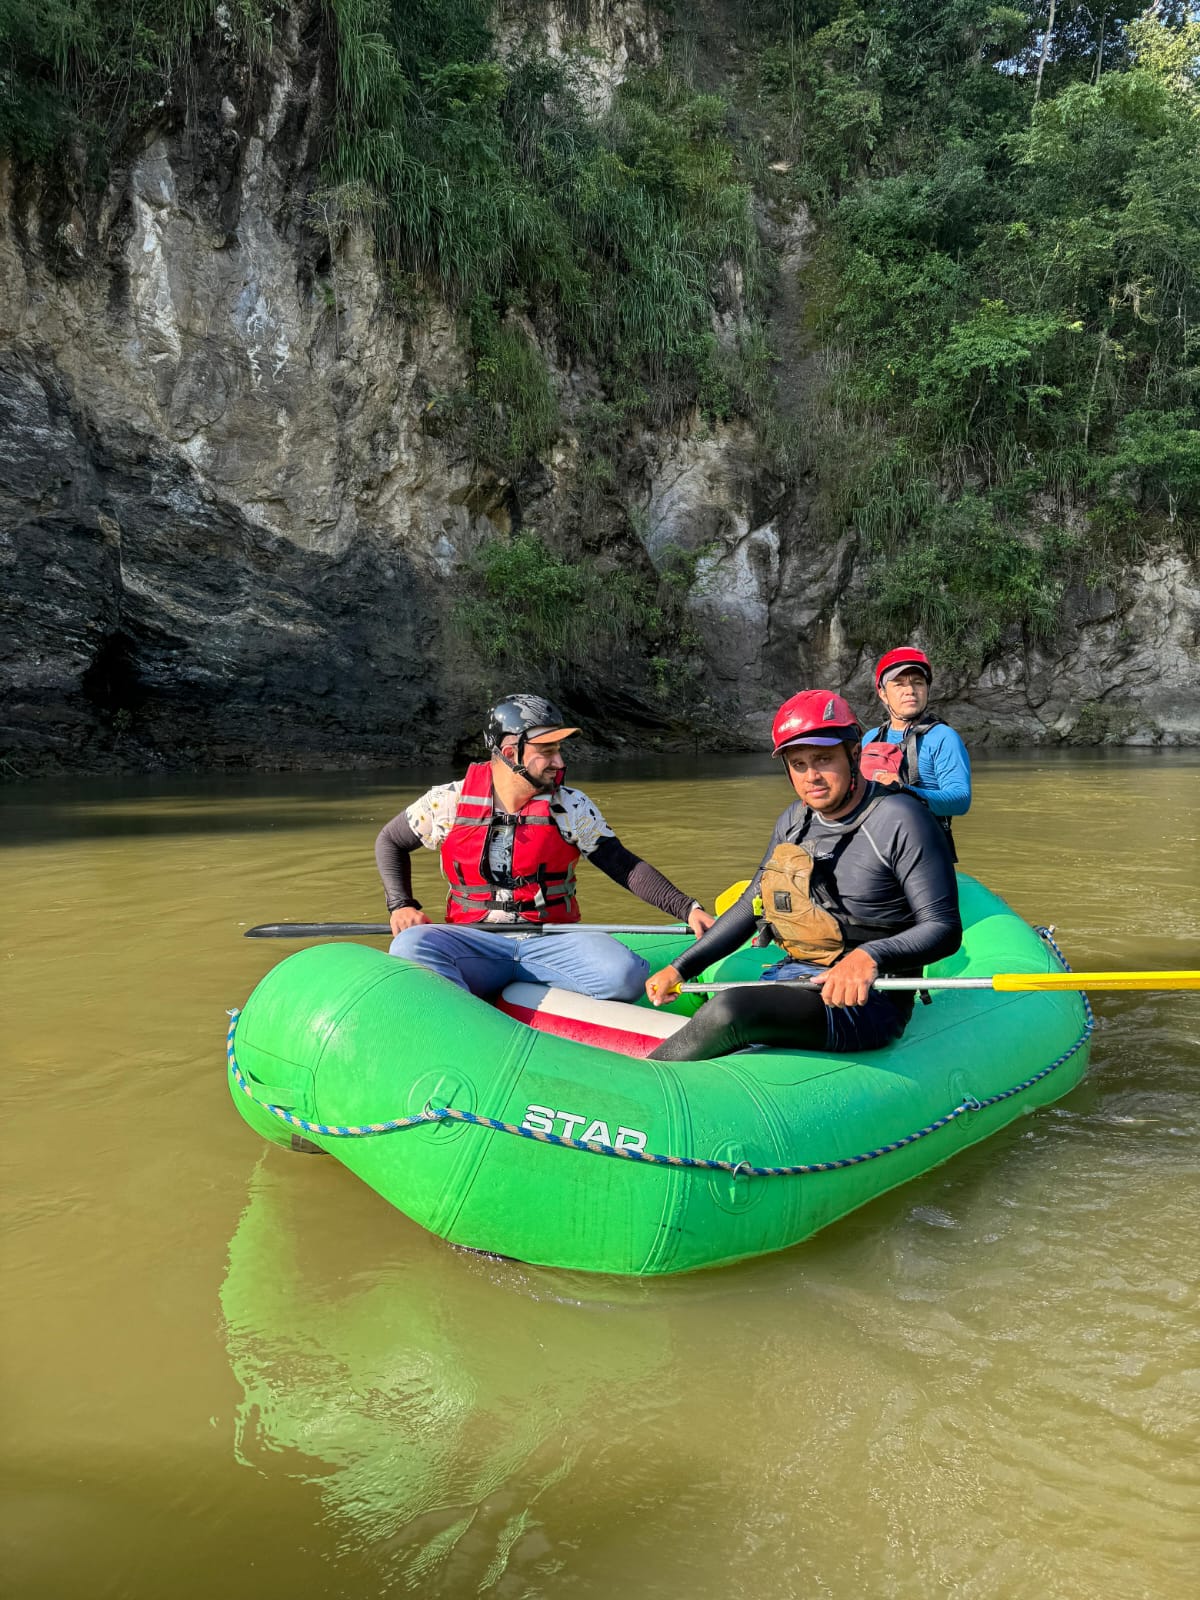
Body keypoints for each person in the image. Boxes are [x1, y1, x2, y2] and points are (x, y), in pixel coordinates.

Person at [642, 690, 962, 1062]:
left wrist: (869, 957)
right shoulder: (794, 820)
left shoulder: (903, 819)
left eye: (824, 759)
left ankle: (648, 1081)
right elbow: (751, 904)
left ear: (854, 753)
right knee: (727, 1011)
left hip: (867, 999)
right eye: (798, 764)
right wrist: (681, 967)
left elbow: (944, 928)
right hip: (795, 976)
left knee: (731, 1010)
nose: (813, 776)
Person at [377, 693, 714, 1001]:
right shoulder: (447, 802)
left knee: (626, 977)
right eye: (547, 752)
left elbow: (623, 865)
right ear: (510, 753)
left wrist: (688, 908)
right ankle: (470, 1020)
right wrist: (401, 904)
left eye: (559, 751)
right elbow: (390, 841)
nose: (559, 762)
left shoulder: (570, 806)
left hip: (551, 939)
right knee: (409, 945)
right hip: (475, 941)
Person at [859, 647, 971, 858]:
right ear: (883, 693)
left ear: (927, 689)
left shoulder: (943, 737)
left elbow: (960, 799)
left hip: (924, 850)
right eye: (899, 684)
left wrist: (906, 791)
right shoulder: (870, 738)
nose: (909, 690)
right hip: (875, 847)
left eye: (917, 683)